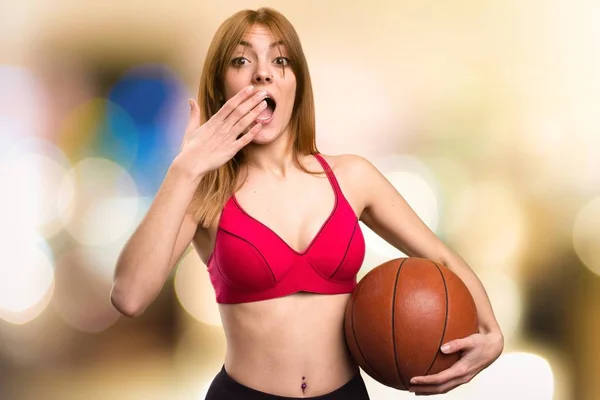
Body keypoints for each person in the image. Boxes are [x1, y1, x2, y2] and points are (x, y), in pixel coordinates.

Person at [110, 7, 504, 399]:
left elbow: (442, 258)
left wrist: (492, 334)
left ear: (297, 84)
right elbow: (129, 296)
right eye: (242, 60)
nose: (262, 72)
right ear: (221, 86)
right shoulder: (205, 192)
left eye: (280, 60)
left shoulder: (353, 178)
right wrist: (184, 170)